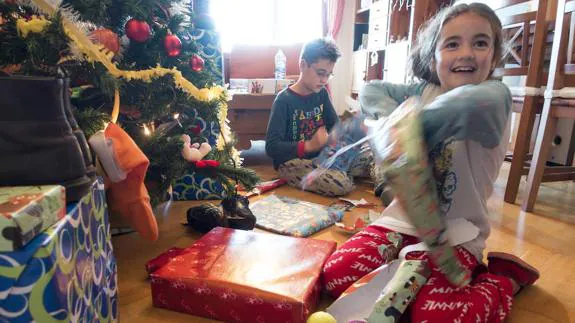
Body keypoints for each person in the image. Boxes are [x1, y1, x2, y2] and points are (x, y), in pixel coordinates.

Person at [321, 3, 539, 322]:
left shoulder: (494, 98)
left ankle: (504, 278)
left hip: (456, 233)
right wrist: (389, 118)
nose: (465, 53)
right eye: (452, 44)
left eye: (480, 43)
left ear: (493, 57)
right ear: (432, 56)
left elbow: (462, 108)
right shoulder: (422, 91)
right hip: (401, 221)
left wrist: (406, 128)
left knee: (434, 316)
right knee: (335, 276)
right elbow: (371, 91)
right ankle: (403, 263)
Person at [265, 38, 372, 197]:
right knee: (338, 185)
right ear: (303, 65)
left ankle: (347, 173)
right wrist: (308, 146)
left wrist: (351, 128)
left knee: (371, 154)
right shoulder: (284, 100)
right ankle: (341, 175)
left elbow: (334, 126)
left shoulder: (321, 94)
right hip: (293, 163)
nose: (324, 80)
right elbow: (272, 147)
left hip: (322, 158)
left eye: (329, 75)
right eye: (320, 73)